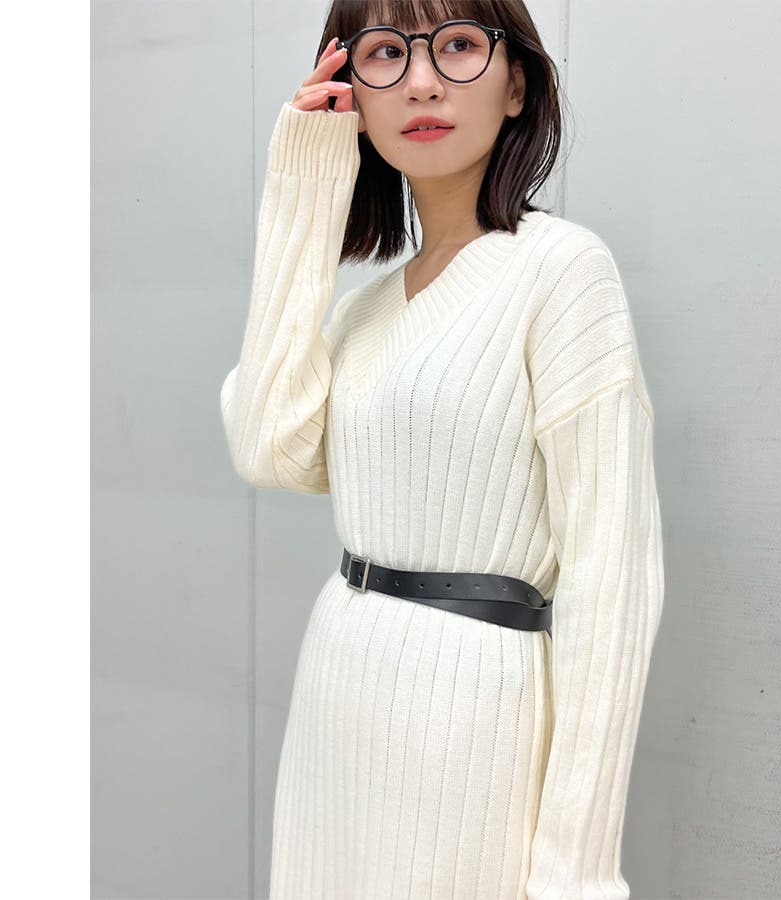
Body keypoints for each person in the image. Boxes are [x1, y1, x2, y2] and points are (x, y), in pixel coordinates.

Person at [219, 1, 665, 897]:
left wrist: (577, 870)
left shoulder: (562, 271)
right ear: (352, 96)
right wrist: (304, 188)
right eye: (386, 53)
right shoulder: (367, 312)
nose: (421, 81)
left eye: (458, 45)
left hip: (474, 717)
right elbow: (268, 447)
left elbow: (612, 576)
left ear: (517, 86)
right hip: (338, 692)